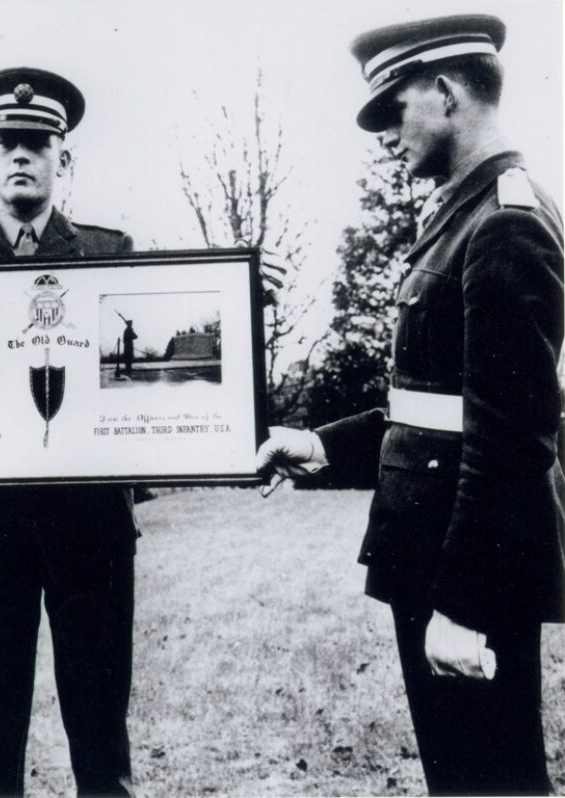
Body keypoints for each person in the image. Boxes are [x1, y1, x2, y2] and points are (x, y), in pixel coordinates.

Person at [255, 14, 564, 795]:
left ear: (447, 91)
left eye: (394, 107)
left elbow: (513, 443)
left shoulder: (505, 226)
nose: (385, 132)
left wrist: (465, 607)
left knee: (492, 783)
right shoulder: (465, 219)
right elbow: (430, 409)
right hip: (436, 560)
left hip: (463, 576)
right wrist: (319, 444)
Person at [0, 67, 139, 798]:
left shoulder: (113, 255)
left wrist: (239, 302)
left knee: (100, 729)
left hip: (90, 528)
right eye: (6, 142)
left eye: (38, 142)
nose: (22, 154)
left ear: (63, 158)